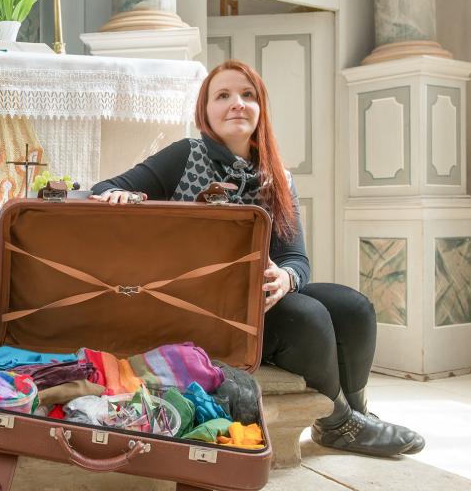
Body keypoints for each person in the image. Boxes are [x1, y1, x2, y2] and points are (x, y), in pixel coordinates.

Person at [90, 59, 425, 458]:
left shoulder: (276, 175)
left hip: (255, 299)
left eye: (248, 95)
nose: (237, 104)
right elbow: (106, 188)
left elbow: (296, 258)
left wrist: (285, 277)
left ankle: (357, 414)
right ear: (205, 111)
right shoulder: (185, 154)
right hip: (198, 308)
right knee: (308, 316)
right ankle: (338, 422)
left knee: (355, 308)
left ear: (260, 108)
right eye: (223, 95)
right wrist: (123, 197)